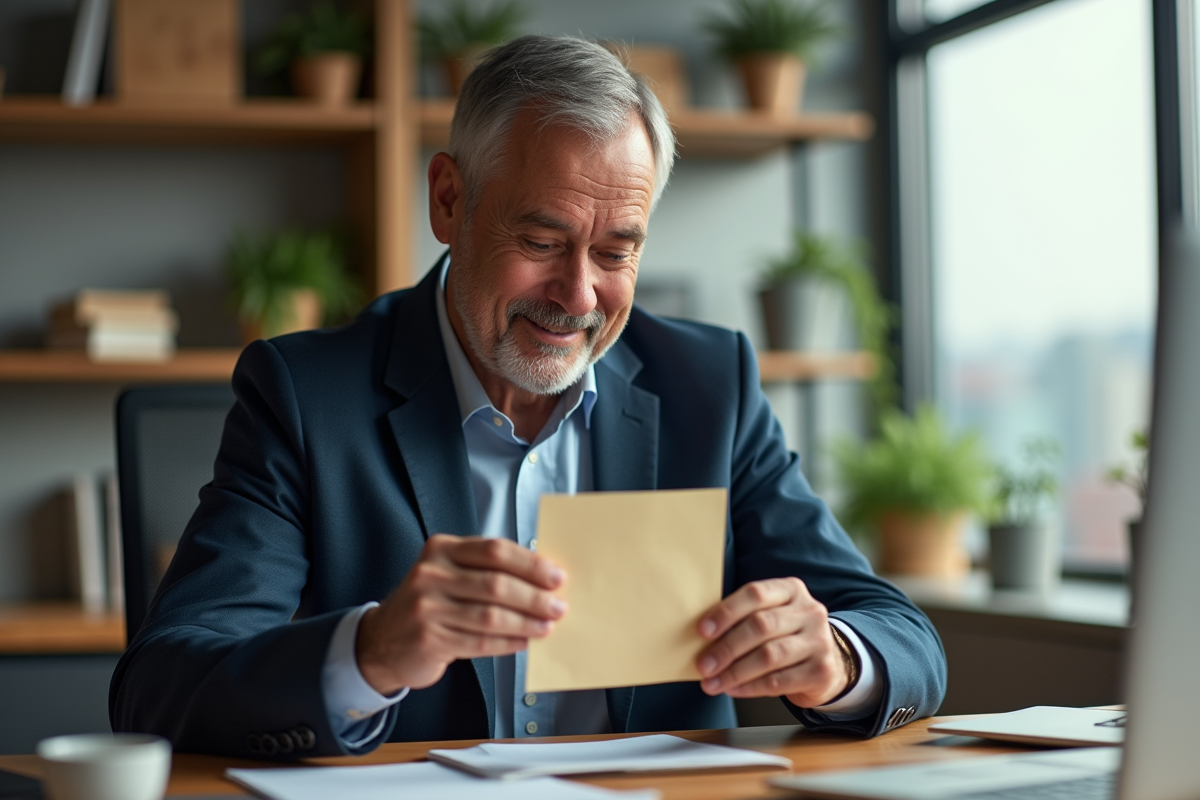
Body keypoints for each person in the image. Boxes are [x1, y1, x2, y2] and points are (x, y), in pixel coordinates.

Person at [110, 35, 945, 759]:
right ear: (449, 201)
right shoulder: (304, 396)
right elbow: (161, 685)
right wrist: (367, 654)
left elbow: (903, 639)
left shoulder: (708, 384)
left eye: (617, 252)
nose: (578, 295)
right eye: (542, 241)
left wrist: (834, 656)